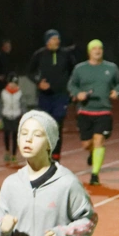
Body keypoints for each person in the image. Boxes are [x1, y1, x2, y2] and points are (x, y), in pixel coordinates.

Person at [67, 40, 119, 186]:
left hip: (103, 110)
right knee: (87, 144)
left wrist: (117, 91)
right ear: (89, 51)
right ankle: (92, 153)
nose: (97, 51)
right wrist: (78, 93)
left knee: (99, 140)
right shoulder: (80, 69)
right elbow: (71, 84)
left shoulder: (111, 68)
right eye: (94, 49)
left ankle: (95, 174)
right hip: (85, 111)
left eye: (100, 48)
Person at [28, 29, 77, 159]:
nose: (58, 41)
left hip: (61, 96)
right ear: (47, 41)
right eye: (54, 39)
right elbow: (30, 72)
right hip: (45, 96)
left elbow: (74, 71)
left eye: (58, 39)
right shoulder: (39, 55)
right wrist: (39, 82)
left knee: (57, 125)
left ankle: (55, 157)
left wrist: (72, 87)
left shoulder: (66, 55)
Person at [0, 72, 26, 164]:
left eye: (15, 83)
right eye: (11, 83)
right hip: (6, 115)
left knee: (15, 135)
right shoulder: (3, 93)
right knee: (6, 134)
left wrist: (25, 116)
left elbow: (23, 105)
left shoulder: (20, 93)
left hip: (16, 116)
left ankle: (14, 154)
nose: (12, 85)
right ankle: (7, 151)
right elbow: (0, 105)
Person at [0, 39, 13, 104]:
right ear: (3, 47)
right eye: (7, 46)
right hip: (1, 82)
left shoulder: (9, 57)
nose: (8, 48)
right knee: (0, 100)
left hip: (8, 81)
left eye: (9, 46)